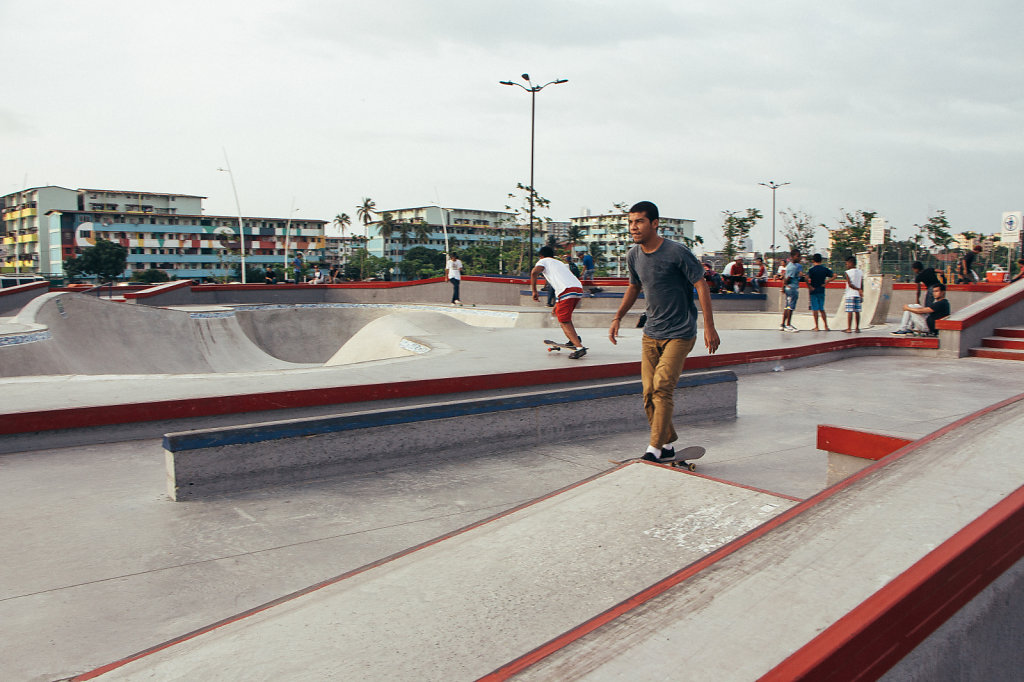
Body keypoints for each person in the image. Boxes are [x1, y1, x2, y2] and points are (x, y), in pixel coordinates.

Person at [608, 201, 720, 463]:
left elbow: (701, 285)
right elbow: (634, 287)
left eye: (639, 221)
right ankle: (667, 446)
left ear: (654, 223)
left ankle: (654, 449)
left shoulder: (677, 252)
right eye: (631, 222)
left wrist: (710, 327)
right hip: (651, 333)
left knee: (662, 388)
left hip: (680, 333)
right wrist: (617, 317)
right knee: (648, 393)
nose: (633, 227)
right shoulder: (633, 255)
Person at [531, 246, 586, 358]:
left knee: (564, 321)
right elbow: (562, 281)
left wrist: (534, 291)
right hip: (577, 289)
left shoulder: (543, 260)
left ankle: (579, 348)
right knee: (565, 317)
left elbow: (534, 272)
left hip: (566, 291)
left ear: (541, 256)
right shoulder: (559, 263)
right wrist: (556, 304)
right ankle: (573, 339)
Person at [806, 253, 835, 331]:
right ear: (821, 260)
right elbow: (834, 275)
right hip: (821, 290)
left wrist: (809, 286)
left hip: (814, 290)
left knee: (815, 309)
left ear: (813, 261)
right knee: (821, 308)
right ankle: (826, 326)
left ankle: (817, 326)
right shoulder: (825, 269)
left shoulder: (811, 270)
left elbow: (806, 277)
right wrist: (827, 282)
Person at [780, 249, 803, 332]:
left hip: (789, 288)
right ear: (793, 257)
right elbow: (787, 279)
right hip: (792, 288)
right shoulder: (793, 267)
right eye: (798, 256)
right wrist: (786, 285)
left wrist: (784, 287)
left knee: (787, 306)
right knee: (790, 307)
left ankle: (783, 324)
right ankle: (788, 324)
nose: (799, 257)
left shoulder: (791, 266)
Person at [843, 255, 864, 333]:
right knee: (857, 311)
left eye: (847, 264)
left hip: (850, 294)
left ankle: (849, 328)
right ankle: (857, 328)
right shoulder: (860, 272)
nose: (846, 265)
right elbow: (861, 283)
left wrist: (857, 289)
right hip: (858, 294)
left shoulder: (847, 272)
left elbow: (850, 284)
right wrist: (861, 291)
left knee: (850, 311)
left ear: (851, 263)